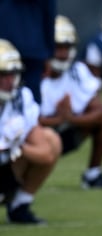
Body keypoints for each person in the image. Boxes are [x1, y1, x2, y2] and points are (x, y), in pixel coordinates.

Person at [38, 15, 102, 189]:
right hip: (36, 141)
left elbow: (100, 110)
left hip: (67, 133)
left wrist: (70, 119)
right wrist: (58, 120)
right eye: (58, 48)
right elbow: (24, 124)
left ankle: (93, 174)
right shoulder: (33, 76)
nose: (62, 54)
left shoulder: (78, 71)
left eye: (67, 47)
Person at [0, 39, 61, 224]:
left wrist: (15, 145)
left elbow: (45, 153)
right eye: (3, 75)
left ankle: (20, 205)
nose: (10, 81)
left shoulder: (22, 98)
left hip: (7, 165)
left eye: (13, 74)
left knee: (52, 139)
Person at [0, 0, 56, 104]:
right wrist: (49, 53)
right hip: (33, 47)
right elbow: (49, 15)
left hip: (5, 45)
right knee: (32, 100)